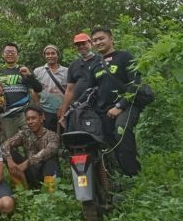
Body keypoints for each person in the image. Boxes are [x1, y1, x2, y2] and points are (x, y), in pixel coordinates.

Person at [88, 27, 142, 176]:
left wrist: (120, 105)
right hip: (103, 110)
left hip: (127, 105)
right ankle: (117, 177)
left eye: (101, 38)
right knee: (108, 143)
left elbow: (136, 82)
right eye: (95, 40)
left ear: (111, 39)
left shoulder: (124, 56)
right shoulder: (94, 63)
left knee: (121, 131)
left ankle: (133, 175)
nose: (98, 42)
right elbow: (91, 89)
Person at [1, 105, 60, 189]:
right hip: (30, 172)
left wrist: (27, 162)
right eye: (28, 119)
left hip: (46, 173)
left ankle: (50, 191)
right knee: (8, 153)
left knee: (50, 160)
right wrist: (9, 159)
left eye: (33, 118)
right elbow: (5, 144)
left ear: (41, 118)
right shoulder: (24, 133)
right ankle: (21, 189)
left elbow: (48, 151)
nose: (30, 122)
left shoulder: (52, 136)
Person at [0, 43, 42, 142]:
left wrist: (29, 76)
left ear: (17, 55)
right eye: (7, 52)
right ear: (3, 54)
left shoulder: (24, 69)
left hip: (24, 113)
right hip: (6, 114)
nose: (10, 54)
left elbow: (38, 88)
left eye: (13, 52)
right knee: (9, 143)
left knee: (31, 141)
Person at [58, 33, 98, 123]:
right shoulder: (74, 65)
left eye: (83, 43)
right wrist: (63, 113)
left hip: (97, 107)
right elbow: (69, 90)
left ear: (91, 43)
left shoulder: (100, 60)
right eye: (78, 45)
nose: (81, 46)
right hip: (78, 108)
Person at [33, 45, 68, 131]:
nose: (50, 56)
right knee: (48, 135)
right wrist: (39, 109)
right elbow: (35, 91)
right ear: (44, 56)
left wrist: (63, 108)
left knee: (64, 135)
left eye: (53, 53)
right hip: (46, 111)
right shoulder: (38, 71)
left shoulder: (66, 71)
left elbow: (69, 91)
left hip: (63, 110)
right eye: (47, 54)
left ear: (57, 55)